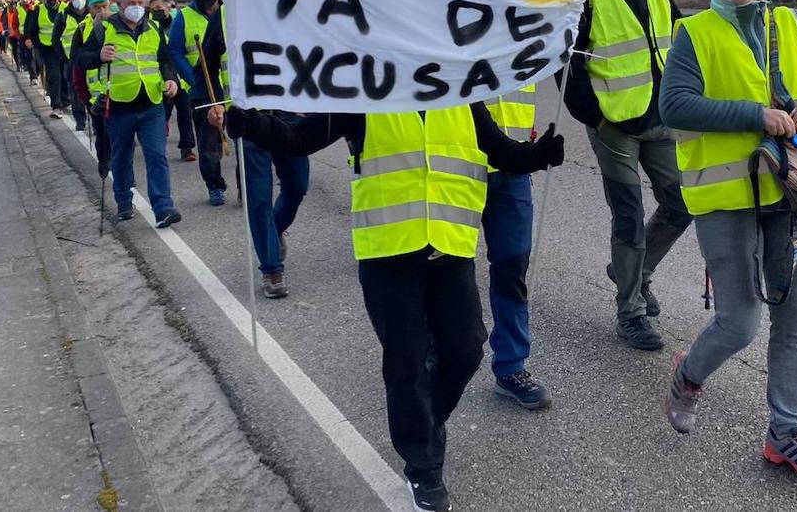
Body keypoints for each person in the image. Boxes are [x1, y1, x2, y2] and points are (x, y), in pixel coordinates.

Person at [210, 100, 565, 512]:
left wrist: (538, 156)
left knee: (466, 350)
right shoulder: (366, 96)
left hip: (450, 247)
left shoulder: (462, 97)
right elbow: (301, 138)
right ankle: (424, 466)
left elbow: (499, 151)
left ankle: (424, 425)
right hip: (387, 255)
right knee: (406, 363)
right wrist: (253, 125)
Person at [658, 0, 797, 483]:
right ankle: (688, 376)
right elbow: (674, 106)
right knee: (740, 322)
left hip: (793, 193)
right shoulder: (694, 32)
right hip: (726, 198)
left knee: (795, 322)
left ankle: (784, 434)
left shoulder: (790, 23)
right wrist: (752, 115)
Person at [563, 0, 692, 351]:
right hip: (614, 124)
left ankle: (634, 273)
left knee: (681, 203)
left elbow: (681, 38)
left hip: (661, 118)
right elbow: (569, 64)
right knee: (629, 218)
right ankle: (630, 313)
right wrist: (594, 116)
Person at [199, 0, 311, 299]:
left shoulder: (296, 9)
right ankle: (272, 269)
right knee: (258, 196)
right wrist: (216, 102)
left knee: (297, 186)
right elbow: (206, 62)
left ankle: (273, 232)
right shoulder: (223, 17)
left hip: (290, 114)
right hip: (247, 117)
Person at [77, 0, 182, 228]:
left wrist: (170, 80)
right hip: (119, 106)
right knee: (122, 157)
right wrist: (98, 57)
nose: (137, 8)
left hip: (151, 104)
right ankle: (124, 201)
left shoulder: (153, 27)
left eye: (140, 3)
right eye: (131, 4)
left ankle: (163, 207)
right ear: (120, 5)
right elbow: (81, 60)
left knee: (157, 156)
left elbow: (164, 60)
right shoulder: (103, 29)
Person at [480, 87, 551, 409]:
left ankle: (511, 367)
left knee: (512, 269)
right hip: (450, 165)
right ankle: (431, 352)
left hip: (513, 167)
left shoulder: (521, 35)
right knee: (444, 266)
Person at [170, 0, 232, 203]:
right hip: (202, 87)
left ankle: (246, 187)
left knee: (246, 141)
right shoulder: (184, 16)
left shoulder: (231, 13)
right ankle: (215, 186)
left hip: (233, 89)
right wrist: (193, 77)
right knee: (208, 143)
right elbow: (175, 50)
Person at [148, 0, 196, 161]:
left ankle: (187, 147)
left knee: (185, 113)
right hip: (160, 78)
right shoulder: (149, 28)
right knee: (163, 113)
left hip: (179, 76)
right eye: (153, 10)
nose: (157, 12)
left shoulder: (177, 25)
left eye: (160, 9)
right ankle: (157, 145)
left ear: (169, 8)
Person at [70, 0, 112, 177]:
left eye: (105, 6)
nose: (102, 11)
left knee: (120, 138)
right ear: (89, 9)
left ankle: (125, 176)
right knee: (102, 135)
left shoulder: (119, 24)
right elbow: (76, 63)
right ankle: (104, 165)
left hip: (119, 92)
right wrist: (84, 97)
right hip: (95, 93)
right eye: (97, 7)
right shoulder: (82, 28)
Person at [26, 0, 68, 118]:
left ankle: (65, 99)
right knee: (54, 75)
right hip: (47, 48)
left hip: (64, 48)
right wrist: (38, 45)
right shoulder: (38, 10)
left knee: (65, 75)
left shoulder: (66, 9)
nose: (51, 0)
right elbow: (32, 30)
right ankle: (56, 106)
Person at [53, 0, 91, 131]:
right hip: (71, 61)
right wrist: (63, 57)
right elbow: (56, 38)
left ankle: (94, 119)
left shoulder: (91, 13)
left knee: (93, 91)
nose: (79, 0)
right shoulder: (63, 15)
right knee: (75, 92)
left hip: (91, 60)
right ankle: (80, 119)